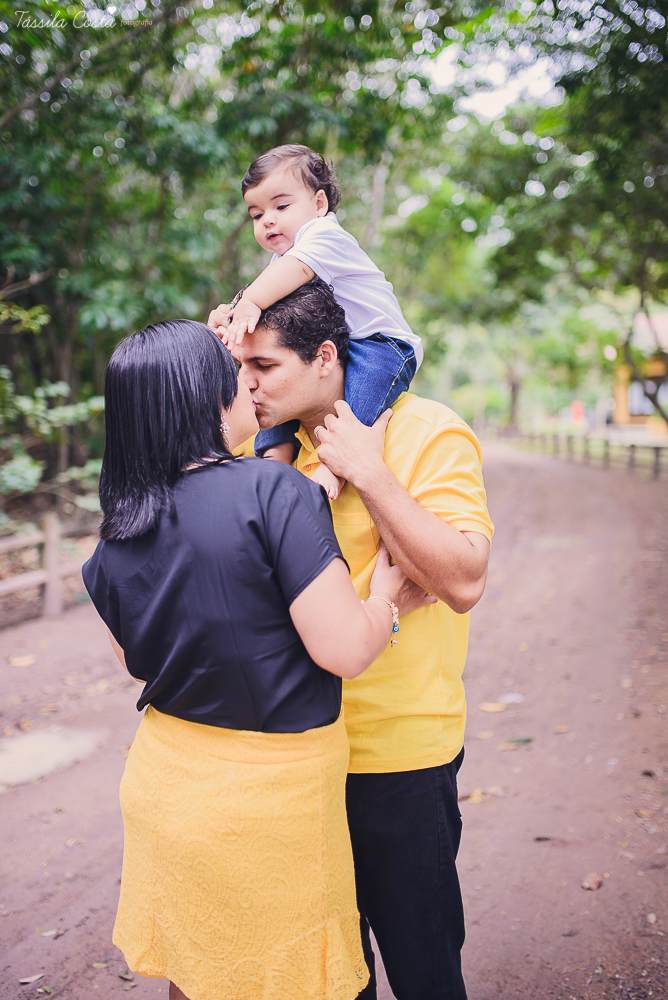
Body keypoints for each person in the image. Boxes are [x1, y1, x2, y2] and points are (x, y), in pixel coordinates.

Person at [82, 319, 434, 1000]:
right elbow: (345, 649)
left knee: (199, 966)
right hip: (269, 805)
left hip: (165, 785)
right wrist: (386, 598)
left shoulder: (115, 534)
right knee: (291, 972)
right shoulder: (274, 491)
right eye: (233, 374)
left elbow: (138, 662)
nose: (248, 383)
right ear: (206, 402)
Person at [232, 280, 495, 1000]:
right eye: (241, 368)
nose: (248, 384)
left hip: (398, 754)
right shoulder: (260, 448)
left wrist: (367, 471)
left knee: (423, 967)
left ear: (326, 357)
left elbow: (463, 581)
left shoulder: (427, 431)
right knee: (330, 976)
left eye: (265, 366)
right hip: (293, 755)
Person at [208, 143, 422, 501]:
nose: (268, 220)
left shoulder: (325, 236)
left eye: (281, 206)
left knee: (360, 396)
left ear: (319, 204)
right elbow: (266, 298)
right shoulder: (282, 259)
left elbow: (282, 281)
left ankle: (337, 465)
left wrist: (249, 303)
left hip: (383, 342)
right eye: (257, 215)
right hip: (345, 341)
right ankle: (276, 458)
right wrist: (228, 316)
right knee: (274, 398)